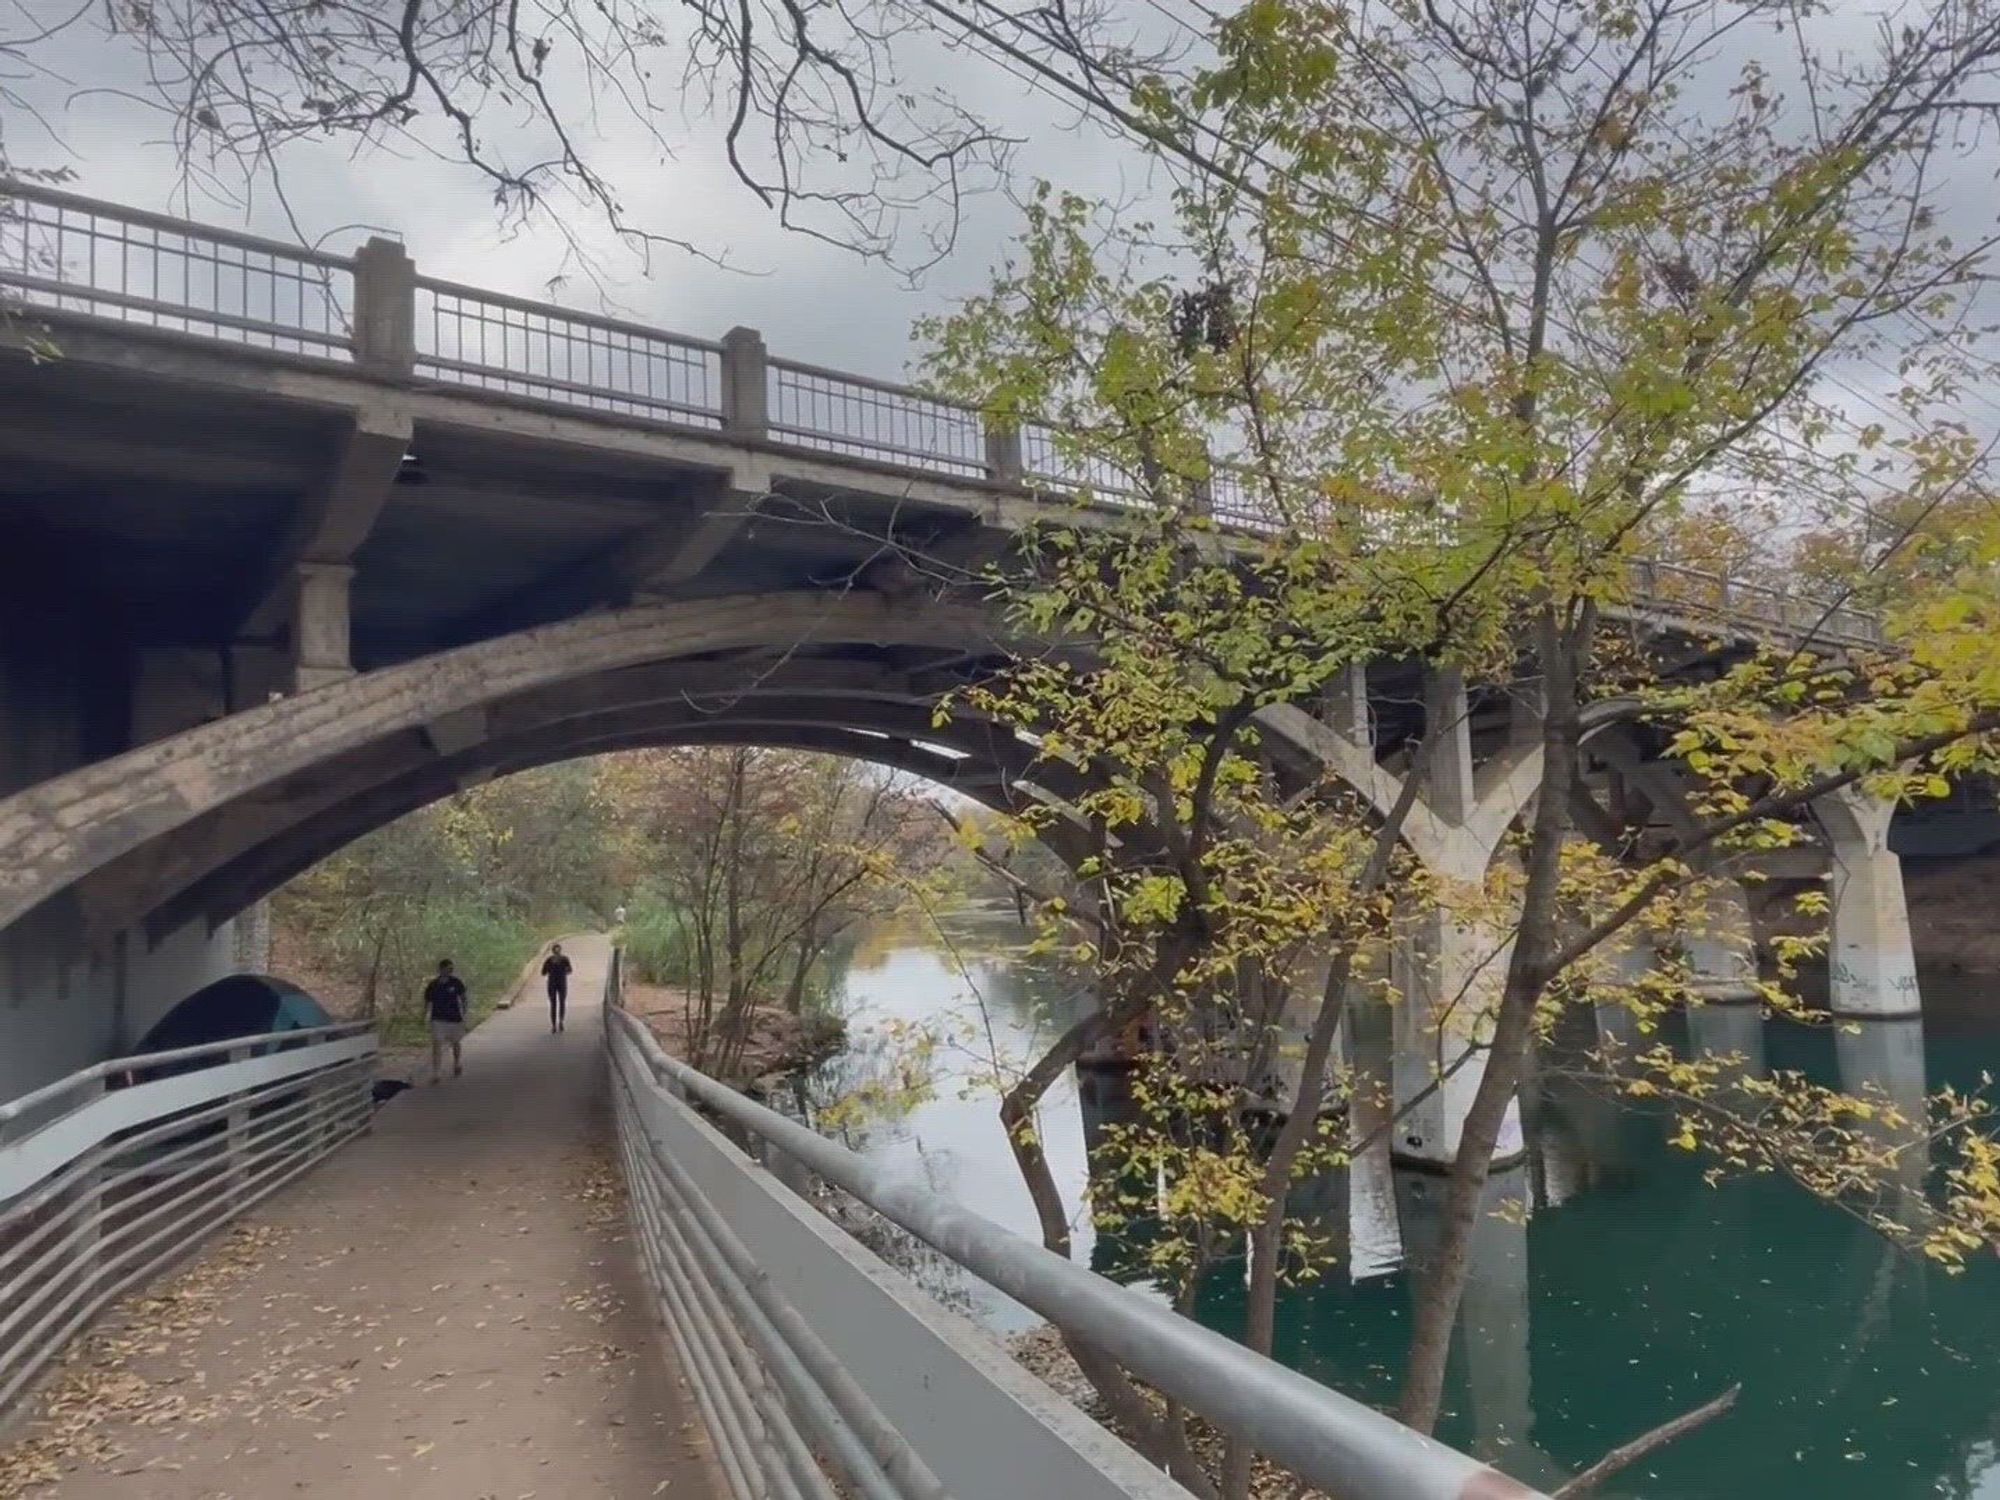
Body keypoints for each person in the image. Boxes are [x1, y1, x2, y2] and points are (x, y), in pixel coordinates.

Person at [424, 959, 470, 1083]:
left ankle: (457, 1063)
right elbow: (428, 1001)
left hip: (454, 1018)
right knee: (437, 1044)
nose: (450, 971)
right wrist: (426, 1015)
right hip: (438, 1019)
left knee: (455, 1043)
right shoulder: (433, 985)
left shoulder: (456, 983)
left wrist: (465, 1013)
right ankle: (436, 1072)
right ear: (441, 969)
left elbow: (463, 998)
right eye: (448, 968)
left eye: (452, 969)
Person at [541, 942, 574, 1033]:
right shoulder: (564, 959)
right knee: (561, 1002)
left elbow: (543, 973)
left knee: (554, 1004)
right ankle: (560, 1022)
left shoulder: (549, 960)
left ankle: (554, 1025)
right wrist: (564, 971)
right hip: (561, 982)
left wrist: (549, 971)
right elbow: (570, 970)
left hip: (552, 983)